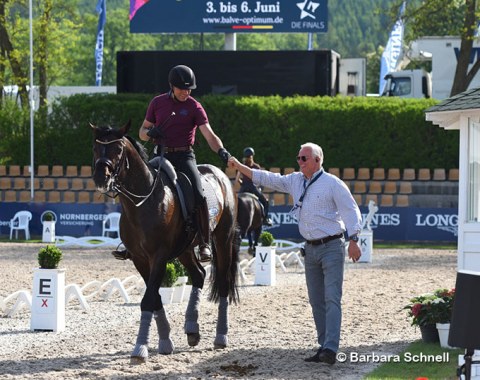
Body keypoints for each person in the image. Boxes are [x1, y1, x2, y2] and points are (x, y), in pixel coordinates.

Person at [228, 142, 362, 365]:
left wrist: (354, 239)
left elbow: (351, 209)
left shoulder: (332, 184)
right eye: (298, 158)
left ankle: (330, 347)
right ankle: (323, 346)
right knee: (316, 300)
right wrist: (240, 166)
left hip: (331, 247)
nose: (298, 162)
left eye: (303, 159)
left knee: (332, 298)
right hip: (309, 248)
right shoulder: (294, 180)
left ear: (317, 161)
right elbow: (267, 178)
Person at [138, 64, 232, 262]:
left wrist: (222, 151)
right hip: (161, 156)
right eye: (182, 88)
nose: (186, 92)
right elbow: (142, 133)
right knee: (140, 188)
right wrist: (150, 132)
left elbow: (209, 134)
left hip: (184, 157)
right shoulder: (157, 103)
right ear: (172, 86)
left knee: (198, 193)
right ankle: (133, 240)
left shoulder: (194, 106)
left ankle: (205, 243)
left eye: (190, 89)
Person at [234, 147, 273, 226]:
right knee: (265, 201)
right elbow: (260, 180)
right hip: (253, 187)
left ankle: (233, 219)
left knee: (235, 203)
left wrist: (242, 183)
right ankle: (265, 219)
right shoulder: (256, 166)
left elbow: (237, 179)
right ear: (252, 155)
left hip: (244, 188)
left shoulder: (242, 166)